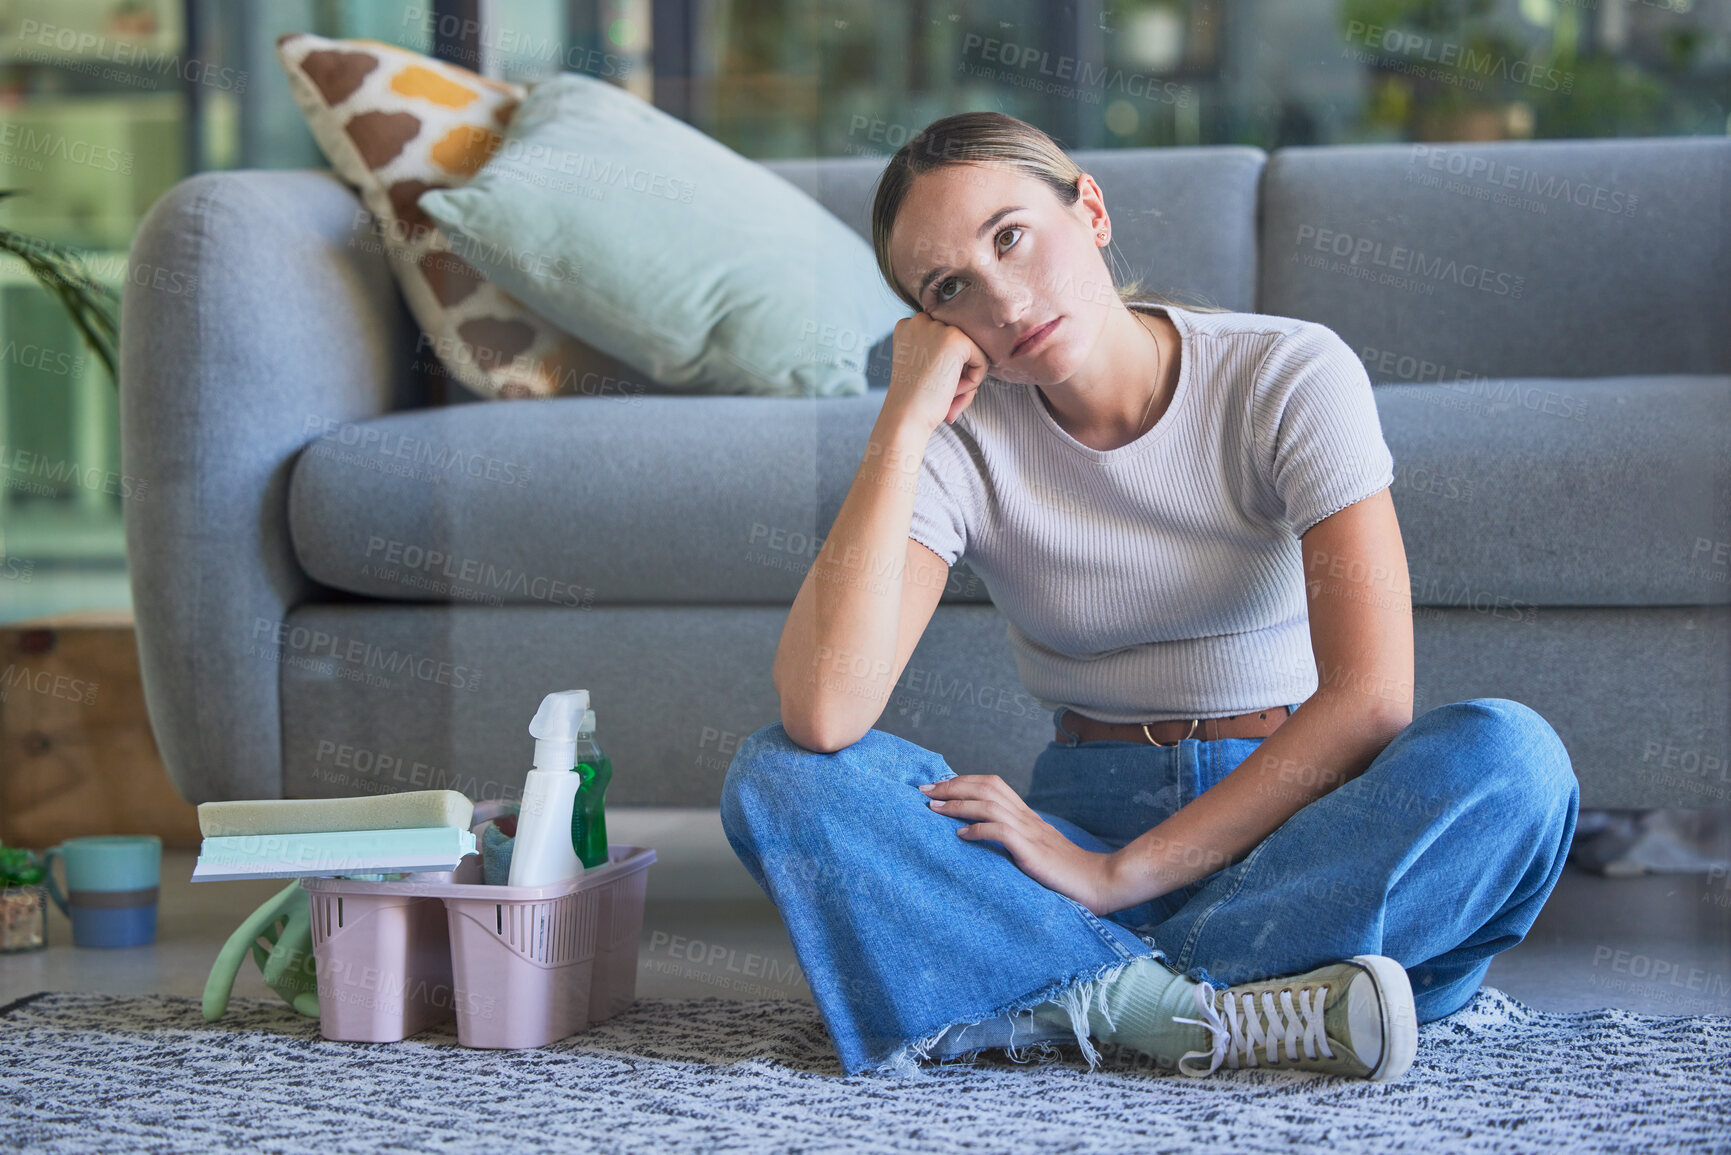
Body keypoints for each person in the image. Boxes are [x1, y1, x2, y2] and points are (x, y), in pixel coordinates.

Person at [720, 112, 1579, 1082]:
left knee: (1514, 761)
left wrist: (1114, 879)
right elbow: (826, 712)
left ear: (1088, 208)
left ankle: (1072, 994)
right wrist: (902, 420)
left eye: (1011, 236)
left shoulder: (1287, 371)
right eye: (949, 287)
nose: (1001, 299)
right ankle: (1244, 1007)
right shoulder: (959, 438)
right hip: (1081, 822)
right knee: (781, 775)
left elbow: (1371, 700)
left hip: (1293, 830)